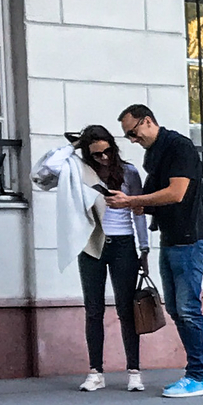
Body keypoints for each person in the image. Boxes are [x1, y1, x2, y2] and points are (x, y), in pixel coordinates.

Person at [33, 125, 152, 391]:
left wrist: (144, 248)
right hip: (91, 244)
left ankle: (134, 371)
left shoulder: (129, 172)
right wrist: (73, 147)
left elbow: (139, 212)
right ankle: (95, 372)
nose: (104, 158)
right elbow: (45, 171)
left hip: (123, 243)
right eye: (97, 154)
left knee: (126, 310)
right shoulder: (78, 171)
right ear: (87, 153)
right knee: (93, 309)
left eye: (108, 151)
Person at [109, 104, 203, 397]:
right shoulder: (153, 154)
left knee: (189, 310)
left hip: (189, 241)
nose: (132, 139)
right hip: (170, 239)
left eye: (133, 132)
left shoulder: (179, 147)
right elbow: (155, 197)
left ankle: (199, 376)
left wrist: (132, 202)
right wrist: (139, 203)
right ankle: (195, 373)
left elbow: (176, 192)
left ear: (148, 121)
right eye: (127, 136)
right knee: (177, 311)